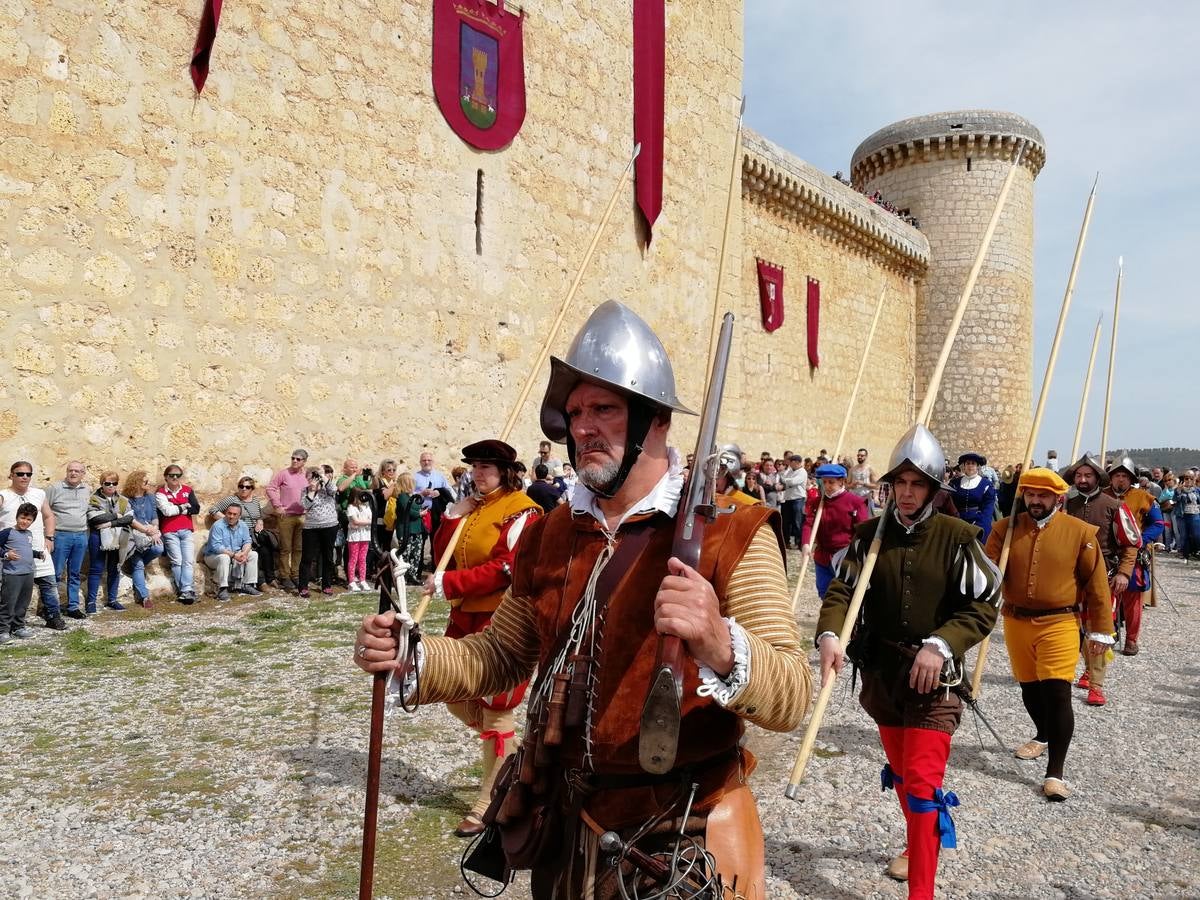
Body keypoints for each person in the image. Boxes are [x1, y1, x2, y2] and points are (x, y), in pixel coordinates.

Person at [354, 300, 811, 897]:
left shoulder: (732, 533)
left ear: (654, 422)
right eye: (575, 413)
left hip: (678, 836)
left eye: (605, 409)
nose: (583, 427)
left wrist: (720, 643)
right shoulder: (552, 531)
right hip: (566, 829)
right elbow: (499, 655)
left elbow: (794, 696)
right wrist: (409, 655)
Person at [817, 423, 1000, 897]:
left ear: (935, 489)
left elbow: (984, 602)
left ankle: (922, 890)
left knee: (921, 785)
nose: (907, 492)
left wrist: (940, 644)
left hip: (935, 683)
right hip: (883, 676)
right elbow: (842, 589)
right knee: (901, 776)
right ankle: (917, 840)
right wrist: (831, 635)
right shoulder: (868, 535)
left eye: (917, 483)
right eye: (900, 482)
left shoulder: (958, 537)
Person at [420, 439, 542, 836]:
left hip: (503, 618)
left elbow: (509, 567)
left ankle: (490, 800)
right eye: (474, 467)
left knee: (497, 706)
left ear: (506, 472)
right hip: (465, 616)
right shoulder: (476, 506)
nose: (478, 473)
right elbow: (444, 555)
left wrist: (449, 583)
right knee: (452, 690)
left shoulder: (523, 511)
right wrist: (453, 517)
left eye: (486, 467)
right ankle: (508, 755)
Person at [984, 468, 1111, 800]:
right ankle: (1041, 735)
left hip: (1060, 622)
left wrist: (1100, 631)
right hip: (1015, 621)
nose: (1035, 501)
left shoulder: (1081, 532)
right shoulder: (1005, 529)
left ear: (1058, 498)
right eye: (1030, 494)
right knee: (1030, 689)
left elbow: (1097, 587)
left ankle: (1055, 773)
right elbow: (986, 572)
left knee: (1057, 692)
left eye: (1042, 495)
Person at [1060, 455, 1140, 707]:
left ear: (1097, 478)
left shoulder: (1114, 505)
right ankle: (1078, 671)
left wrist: (1124, 573)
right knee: (1073, 628)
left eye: (1088, 475)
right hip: (1068, 576)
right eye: (1078, 476)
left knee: (1099, 629)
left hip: (1102, 576)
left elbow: (1131, 544)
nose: (1082, 480)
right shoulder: (1064, 504)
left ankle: (1096, 685)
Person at [1104, 457, 1164, 655]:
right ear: (1111, 478)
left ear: (1131, 478)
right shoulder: (1101, 496)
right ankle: (1108, 634)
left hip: (1133, 555)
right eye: (1117, 476)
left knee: (1132, 599)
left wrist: (1140, 541)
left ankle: (1131, 639)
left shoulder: (1143, 497)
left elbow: (1157, 524)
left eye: (1124, 476)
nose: (1120, 480)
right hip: (1108, 554)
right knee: (1106, 596)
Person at [0, 462, 66, 630]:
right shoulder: (3, 496)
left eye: (28, 474)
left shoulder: (38, 494)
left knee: (49, 583)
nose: (24, 477)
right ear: (11, 475)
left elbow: (49, 516)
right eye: (20, 473)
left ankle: (53, 617)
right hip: (12, 552)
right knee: (9, 592)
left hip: (37, 547)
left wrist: (49, 537)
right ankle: (6, 627)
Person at [801, 463, 868, 599]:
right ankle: (828, 618)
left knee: (844, 594)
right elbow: (808, 524)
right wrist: (806, 544)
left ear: (842, 481)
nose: (827, 486)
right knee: (824, 592)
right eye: (824, 482)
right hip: (822, 557)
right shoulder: (817, 502)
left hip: (845, 557)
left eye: (831, 482)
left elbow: (863, 531)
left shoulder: (855, 502)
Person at [209, 477, 276, 588]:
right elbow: (213, 510)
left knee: (267, 550)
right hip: (239, 533)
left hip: (255, 533)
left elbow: (258, 515)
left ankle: (271, 578)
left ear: (252, 489)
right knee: (254, 553)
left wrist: (260, 521)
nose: (244, 489)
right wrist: (229, 520)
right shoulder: (232, 500)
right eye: (241, 486)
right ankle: (260, 582)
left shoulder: (255, 501)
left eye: (247, 487)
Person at [46, 461, 91, 618]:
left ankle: (73, 607)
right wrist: (48, 536)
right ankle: (51, 609)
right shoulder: (54, 488)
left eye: (77, 471)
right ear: (66, 472)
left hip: (80, 536)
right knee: (56, 574)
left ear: (82, 474)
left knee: (75, 573)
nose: (73, 473)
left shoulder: (87, 489)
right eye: (70, 470)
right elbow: (45, 511)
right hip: (60, 535)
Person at [86, 470, 135, 613]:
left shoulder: (123, 500)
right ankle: (91, 602)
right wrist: (117, 515)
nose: (111, 486)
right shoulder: (94, 499)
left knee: (115, 568)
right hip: (97, 536)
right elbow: (95, 519)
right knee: (96, 568)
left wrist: (110, 523)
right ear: (102, 484)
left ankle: (112, 600)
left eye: (114, 483)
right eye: (107, 483)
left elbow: (130, 518)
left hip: (118, 536)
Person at [266, 449, 309, 591]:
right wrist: (277, 505)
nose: (295, 461)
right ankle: (284, 576)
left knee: (299, 548)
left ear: (304, 462)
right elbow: (271, 488)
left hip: (302, 516)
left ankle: (295, 574)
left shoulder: (307, 476)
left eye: (298, 459)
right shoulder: (284, 473)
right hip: (286, 516)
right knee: (285, 548)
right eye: (293, 458)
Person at [121, 471, 165, 607]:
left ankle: (132, 567)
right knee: (139, 565)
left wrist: (155, 530)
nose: (148, 484)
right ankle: (145, 597)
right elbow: (130, 520)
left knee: (158, 548)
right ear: (137, 483)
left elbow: (154, 516)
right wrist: (147, 530)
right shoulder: (125, 499)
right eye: (145, 482)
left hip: (150, 531)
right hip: (134, 534)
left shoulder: (150, 497)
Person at [156, 465, 200, 604]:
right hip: (169, 531)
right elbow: (166, 512)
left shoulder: (188, 490)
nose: (175, 478)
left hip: (186, 529)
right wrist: (184, 506)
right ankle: (186, 590)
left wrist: (180, 509)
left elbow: (196, 508)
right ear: (166, 477)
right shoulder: (160, 493)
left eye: (178, 475)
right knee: (177, 561)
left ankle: (185, 590)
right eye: (171, 475)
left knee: (187, 560)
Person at [0, 502, 41, 644]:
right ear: (17, 517)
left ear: (32, 521)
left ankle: (18, 627)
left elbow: (26, 550)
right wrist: (6, 554)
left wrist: (37, 554)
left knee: (23, 603)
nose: (25, 521)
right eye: (23, 517)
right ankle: (3, 631)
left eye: (29, 519)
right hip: (12, 574)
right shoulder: (7, 532)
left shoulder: (29, 534)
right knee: (8, 603)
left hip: (28, 573)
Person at [202, 503, 260, 601]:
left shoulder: (243, 525)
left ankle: (248, 585)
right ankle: (222, 589)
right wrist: (234, 555)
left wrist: (244, 553)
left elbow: (247, 541)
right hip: (213, 556)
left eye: (234, 514)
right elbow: (216, 547)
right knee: (224, 557)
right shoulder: (218, 526)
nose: (231, 516)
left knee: (253, 554)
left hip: (235, 553)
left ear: (239, 516)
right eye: (229, 513)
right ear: (225, 513)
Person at [299, 466, 338, 598]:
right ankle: (303, 587)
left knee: (327, 557)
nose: (313, 478)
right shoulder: (305, 490)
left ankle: (327, 585)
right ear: (307, 478)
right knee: (307, 558)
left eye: (315, 476)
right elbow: (305, 505)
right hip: (311, 528)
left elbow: (334, 490)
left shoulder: (328, 489)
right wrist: (312, 490)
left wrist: (323, 477)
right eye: (311, 476)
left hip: (329, 526)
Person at [950, 452, 997, 541]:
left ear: (977, 466)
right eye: (968, 463)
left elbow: (988, 507)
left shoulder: (986, 484)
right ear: (964, 466)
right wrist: (955, 519)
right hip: (957, 521)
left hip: (978, 521)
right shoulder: (955, 483)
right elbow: (950, 502)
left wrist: (979, 524)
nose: (970, 466)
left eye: (973, 463)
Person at [390, 472, 424, 582]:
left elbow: (416, 508)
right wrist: (420, 513)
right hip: (406, 530)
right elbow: (409, 511)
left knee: (415, 554)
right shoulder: (402, 497)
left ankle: (412, 575)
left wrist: (418, 512)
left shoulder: (412, 496)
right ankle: (403, 577)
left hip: (416, 530)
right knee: (405, 554)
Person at [345, 489, 374, 591]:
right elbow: (355, 521)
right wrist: (366, 522)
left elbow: (372, 519)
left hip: (365, 535)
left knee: (362, 559)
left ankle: (362, 579)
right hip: (354, 537)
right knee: (353, 559)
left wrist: (363, 522)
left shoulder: (366, 507)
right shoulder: (351, 507)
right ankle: (351, 581)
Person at [780, 454, 809, 548]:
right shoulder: (789, 470)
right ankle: (786, 542)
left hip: (798, 499)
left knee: (797, 522)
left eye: (791, 462)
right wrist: (787, 480)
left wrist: (787, 481)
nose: (789, 464)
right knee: (786, 522)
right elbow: (782, 478)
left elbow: (793, 482)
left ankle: (799, 542)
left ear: (797, 462)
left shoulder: (802, 472)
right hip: (788, 499)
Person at [1174, 472, 1200, 560]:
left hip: (1194, 514)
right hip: (1182, 515)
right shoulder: (1178, 489)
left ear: (1194, 479)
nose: (1189, 480)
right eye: (1186, 478)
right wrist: (1178, 491)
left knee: (1196, 534)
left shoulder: (1197, 490)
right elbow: (1174, 500)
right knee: (1184, 535)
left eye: (1191, 478)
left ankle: (1196, 550)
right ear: (1183, 479)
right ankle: (1185, 554)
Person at [849, 448, 878, 512]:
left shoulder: (870, 469)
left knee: (865, 519)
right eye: (858, 455)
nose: (859, 457)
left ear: (866, 457)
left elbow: (877, 486)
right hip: (853, 498)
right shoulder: (852, 469)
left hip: (865, 498)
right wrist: (852, 485)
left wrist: (864, 484)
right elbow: (846, 485)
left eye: (862, 456)